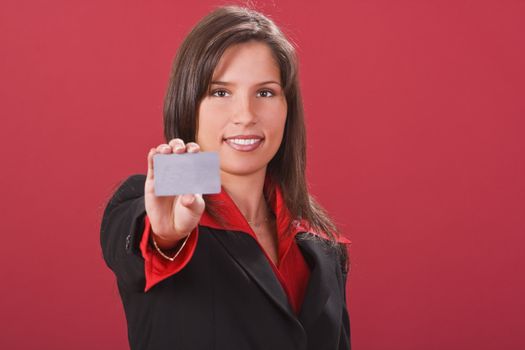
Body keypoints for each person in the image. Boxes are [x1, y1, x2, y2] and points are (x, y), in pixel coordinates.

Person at [100, 4, 352, 350]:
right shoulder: (162, 199)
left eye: (265, 93)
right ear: (189, 105)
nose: (246, 115)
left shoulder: (320, 244)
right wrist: (166, 236)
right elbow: (141, 240)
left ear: (287, 108)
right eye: (221, 92)